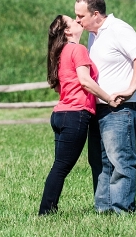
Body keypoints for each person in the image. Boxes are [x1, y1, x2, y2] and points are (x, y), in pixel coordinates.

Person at [74, 0, 136, 213]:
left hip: (121, 108)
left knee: (120, 160)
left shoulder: (118, 29)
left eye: (81, 16)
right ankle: (104, 208)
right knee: (99, 160)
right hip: (99, 107)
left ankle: (122, 210)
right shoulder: (94, 35)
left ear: (96, 14)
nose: (77, 20)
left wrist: (129, 90)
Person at [38, 15, 118, 216]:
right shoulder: (78, 49)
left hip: (60, 114)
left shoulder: (60, 52)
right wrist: (108, 98)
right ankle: (46, 212)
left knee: (60, 166)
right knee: (61, 167)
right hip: (75, 115)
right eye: (72, 21)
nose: (77, 20)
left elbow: (58, 86)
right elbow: (85, 81)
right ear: (67, 31)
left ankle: (49, 210)